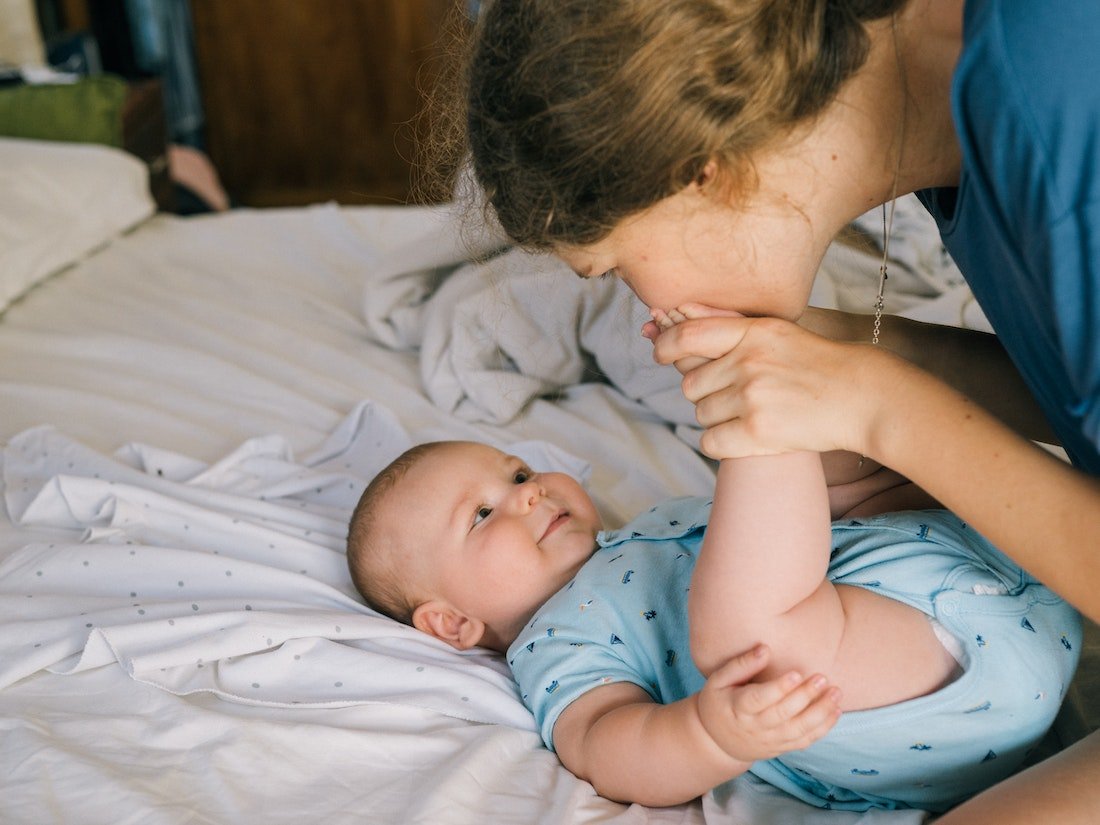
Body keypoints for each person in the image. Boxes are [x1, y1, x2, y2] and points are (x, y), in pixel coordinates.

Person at [459, 0, 1100, 638]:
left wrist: (879, 408)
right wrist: (855, 353)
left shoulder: (1052, 104)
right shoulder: (956, 112)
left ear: (697, 176)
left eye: (618, 269)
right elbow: (1078, 395)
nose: (647, 307)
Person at [345, 384, 1079, 812]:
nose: (528, 491)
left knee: (835, 475)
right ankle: (766, 414)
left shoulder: (651, 523)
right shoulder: (553, 644)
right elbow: (606, 745)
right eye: (482, 515)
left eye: (516, 473)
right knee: (752, 638)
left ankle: (809, 407)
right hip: (925, 689)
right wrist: (711, 734)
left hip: (1016, 571)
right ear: (451, 620)